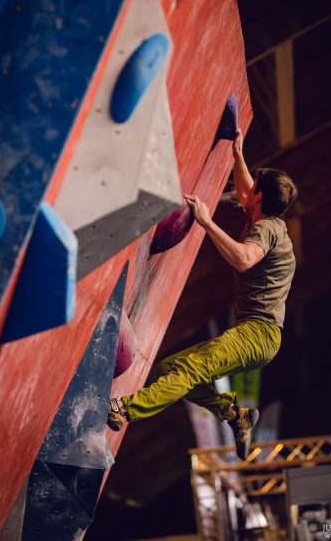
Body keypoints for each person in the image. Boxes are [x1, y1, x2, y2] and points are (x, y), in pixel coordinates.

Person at [108, 129, 298, 460]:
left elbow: (243, 259)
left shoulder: (265, 230)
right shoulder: (265, 216)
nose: (248, 189)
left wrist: (207, 222)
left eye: (255, 188)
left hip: (260, 333)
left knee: (192, 370)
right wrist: (238, 154)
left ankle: (125, 409)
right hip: (258, 334)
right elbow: (243, 189)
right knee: (171, 367)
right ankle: (233, 414)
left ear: (261, 198)